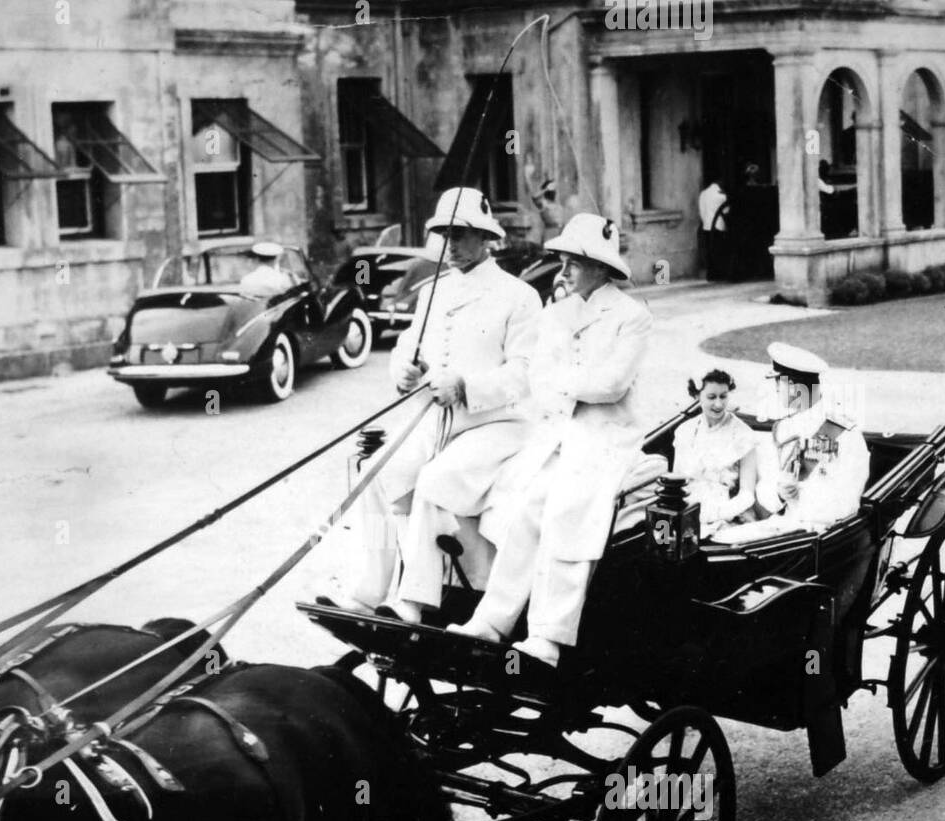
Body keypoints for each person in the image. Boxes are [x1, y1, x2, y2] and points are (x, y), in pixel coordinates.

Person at [318, 187, 543, 616]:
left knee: (434, 480)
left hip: (497, 426)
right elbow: (408, 345)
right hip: (437, 422)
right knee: (376, 473)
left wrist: (466, 386)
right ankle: (367, 593)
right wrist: (402, 370)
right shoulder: (432, 291)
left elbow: (524, 372)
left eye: (460, 234)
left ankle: (414, 600)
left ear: (486, 237)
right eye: (444, 234)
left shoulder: (518, 295)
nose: (451, 245)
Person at [448, 213, 652, 667]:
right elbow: (538, 377)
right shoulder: (557, 313)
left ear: (599, 265)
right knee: (522, 509)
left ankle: (548, 636)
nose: (563, 272)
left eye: (572, 262)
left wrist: (563, 381)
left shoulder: (631, 316)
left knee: (568, 515)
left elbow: (612, 386)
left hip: (607, 441)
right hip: (560, 434)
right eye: (562, 262)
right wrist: (566, 383)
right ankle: (492, 620)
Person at [716, 342, 869, 542]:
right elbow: (766, 492)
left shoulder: (844, 434)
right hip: (784, 528)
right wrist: (780, 494)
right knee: (721, 540)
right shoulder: (783, 429)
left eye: (779, 383)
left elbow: (848, 502)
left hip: (826, 535)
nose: (777, 391)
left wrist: (800, 495)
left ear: (794, 387)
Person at [673, 370, 758, 532]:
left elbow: (747, 494)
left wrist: (715, 514)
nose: (718, 404)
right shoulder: (684, 431)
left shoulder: (744, 435)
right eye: (711, 397)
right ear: (697, 396)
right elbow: (677, 482)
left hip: (725, 513)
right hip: (686, 509)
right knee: (661, 540)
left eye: (723, 396)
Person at [698, 176, 730, 280]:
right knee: (719, 251)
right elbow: (726, 211)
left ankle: (711, 274)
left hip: (706, 226)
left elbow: (701, 211)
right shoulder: (721, 196)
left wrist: (705, 221)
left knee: (709, 252)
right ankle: (721, 273)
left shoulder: (703, 194)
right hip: (719, 226)